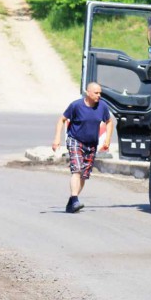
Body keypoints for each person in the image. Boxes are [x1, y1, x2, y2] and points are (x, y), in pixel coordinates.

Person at [52, 82, 115, 213]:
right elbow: (61, 120)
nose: (99, 96)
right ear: (88, 92)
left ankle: (72, 202)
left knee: (84, 175)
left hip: (91, 144)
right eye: (96, 93)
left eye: (100, 93)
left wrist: (108, 139)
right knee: (77, 169)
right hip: (75, 140)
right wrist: (57, 138)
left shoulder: (102, 107)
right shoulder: (76, 105)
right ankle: (75, 199)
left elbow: (109, 122)